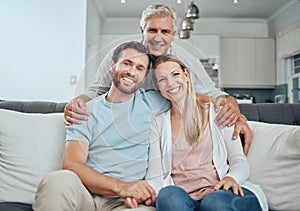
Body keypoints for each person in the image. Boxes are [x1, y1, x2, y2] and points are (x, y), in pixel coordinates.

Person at [64, 4, 253, 155]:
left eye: (165, 32)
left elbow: (212, 93)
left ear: (173, 34)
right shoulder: (122, 56)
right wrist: (79, 101)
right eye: (152, 30)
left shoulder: (186, 61)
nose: (158, 37)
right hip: (126, 130)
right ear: (142, 30)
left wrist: (237, 113)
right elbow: (97, 90)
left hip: (168, 132)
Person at [33, 41, 170, 211]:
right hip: (87, 196)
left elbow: (189, 100)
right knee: (57, 180)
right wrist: (121, 187)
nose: (132, 72)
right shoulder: (84, 111)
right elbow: (72, 164)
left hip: (127, 203)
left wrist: (213, 102)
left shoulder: (153, 102)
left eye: (140, 68)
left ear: (144, 76)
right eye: (127, 63)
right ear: (112, 66)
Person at [142, 54, 268, 211]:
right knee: (168, 197)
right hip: (183, 197)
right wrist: (148, 192)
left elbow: (238, 160)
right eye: (162, 79)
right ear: (157, 86)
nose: (171, 83)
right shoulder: (158, 123)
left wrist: (231, 178)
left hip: (221, 192)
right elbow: (155, 174)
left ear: (186, 74)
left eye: (175, 74)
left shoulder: (217, 112)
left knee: (213, 203)